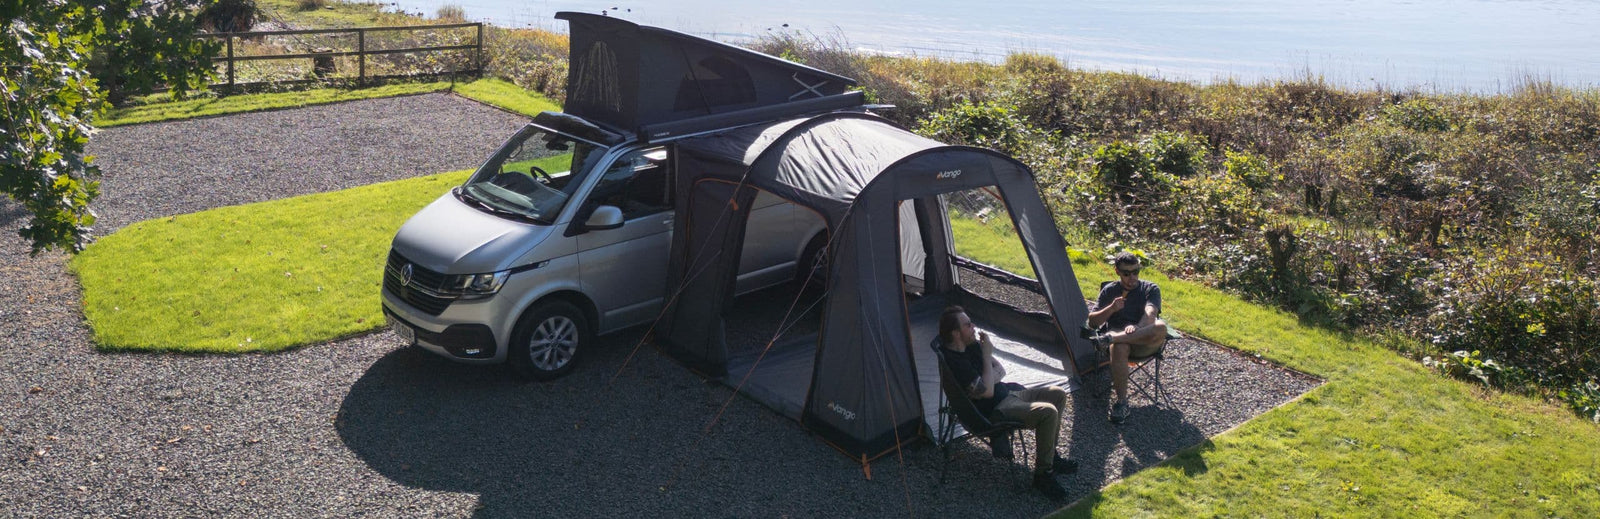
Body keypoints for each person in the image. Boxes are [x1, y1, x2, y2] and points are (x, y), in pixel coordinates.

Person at [938, 306, 1078, 500]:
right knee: (1048, 412)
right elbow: (986, 393)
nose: (973, 327)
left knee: (1058, 393)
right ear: (955, 333)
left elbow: (1001, 370)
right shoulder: (956, 362)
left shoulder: (971, 346)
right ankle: (1042, 475)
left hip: (1008, 394)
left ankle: (1050, 456)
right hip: (996, 410)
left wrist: (988, 378)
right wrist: (987, 357)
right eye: (968, 325)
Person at [1087, 252, 1168, 424]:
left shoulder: (1150, 288)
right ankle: (1122, 403)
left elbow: (1151, 313)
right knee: (1119, 347)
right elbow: (1092, 322)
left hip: (1143, 341)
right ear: (1117, 271)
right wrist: (1111, 308)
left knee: (1161, 327)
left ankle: (1111, 338)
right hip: (1120, 348)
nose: (1132, 278)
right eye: (1126, 273)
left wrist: (1138, 327)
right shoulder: (1109, 291)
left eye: (1136, 272)